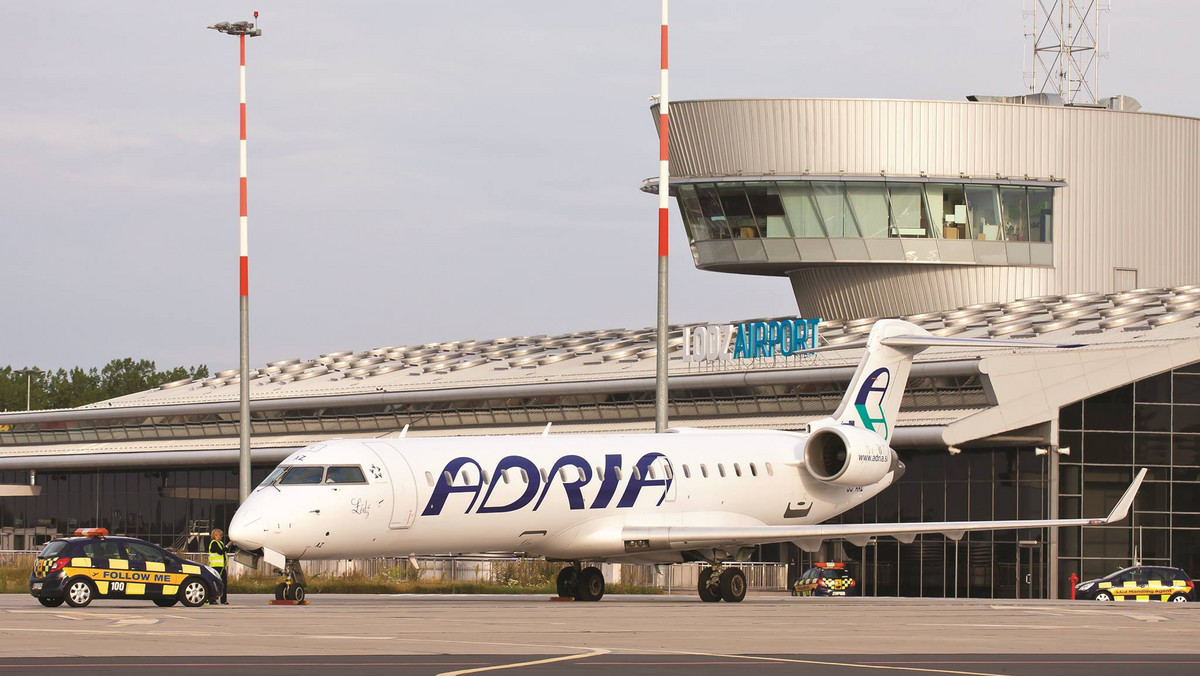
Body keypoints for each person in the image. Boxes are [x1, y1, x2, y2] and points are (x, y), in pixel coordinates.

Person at [208, 528, 229, 605]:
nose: (220, 537)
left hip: (222, 567)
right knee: (215, 583)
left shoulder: (220, 543)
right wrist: (227, 546)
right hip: (215, 567)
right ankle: (211, 600)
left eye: (221, 535)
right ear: (214, 536)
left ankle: (223, 600)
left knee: (223, 583)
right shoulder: (214, 543)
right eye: (218, 535)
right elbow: (220, 552)